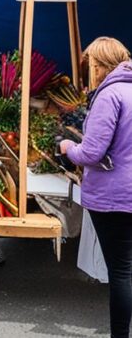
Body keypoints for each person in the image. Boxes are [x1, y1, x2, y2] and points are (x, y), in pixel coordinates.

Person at [61, 37, 132, 338]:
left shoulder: (109, 95)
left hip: (113, 197)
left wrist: (67, 147)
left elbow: (91, 152)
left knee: (121, 271)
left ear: (100, 65)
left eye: (90, 64)